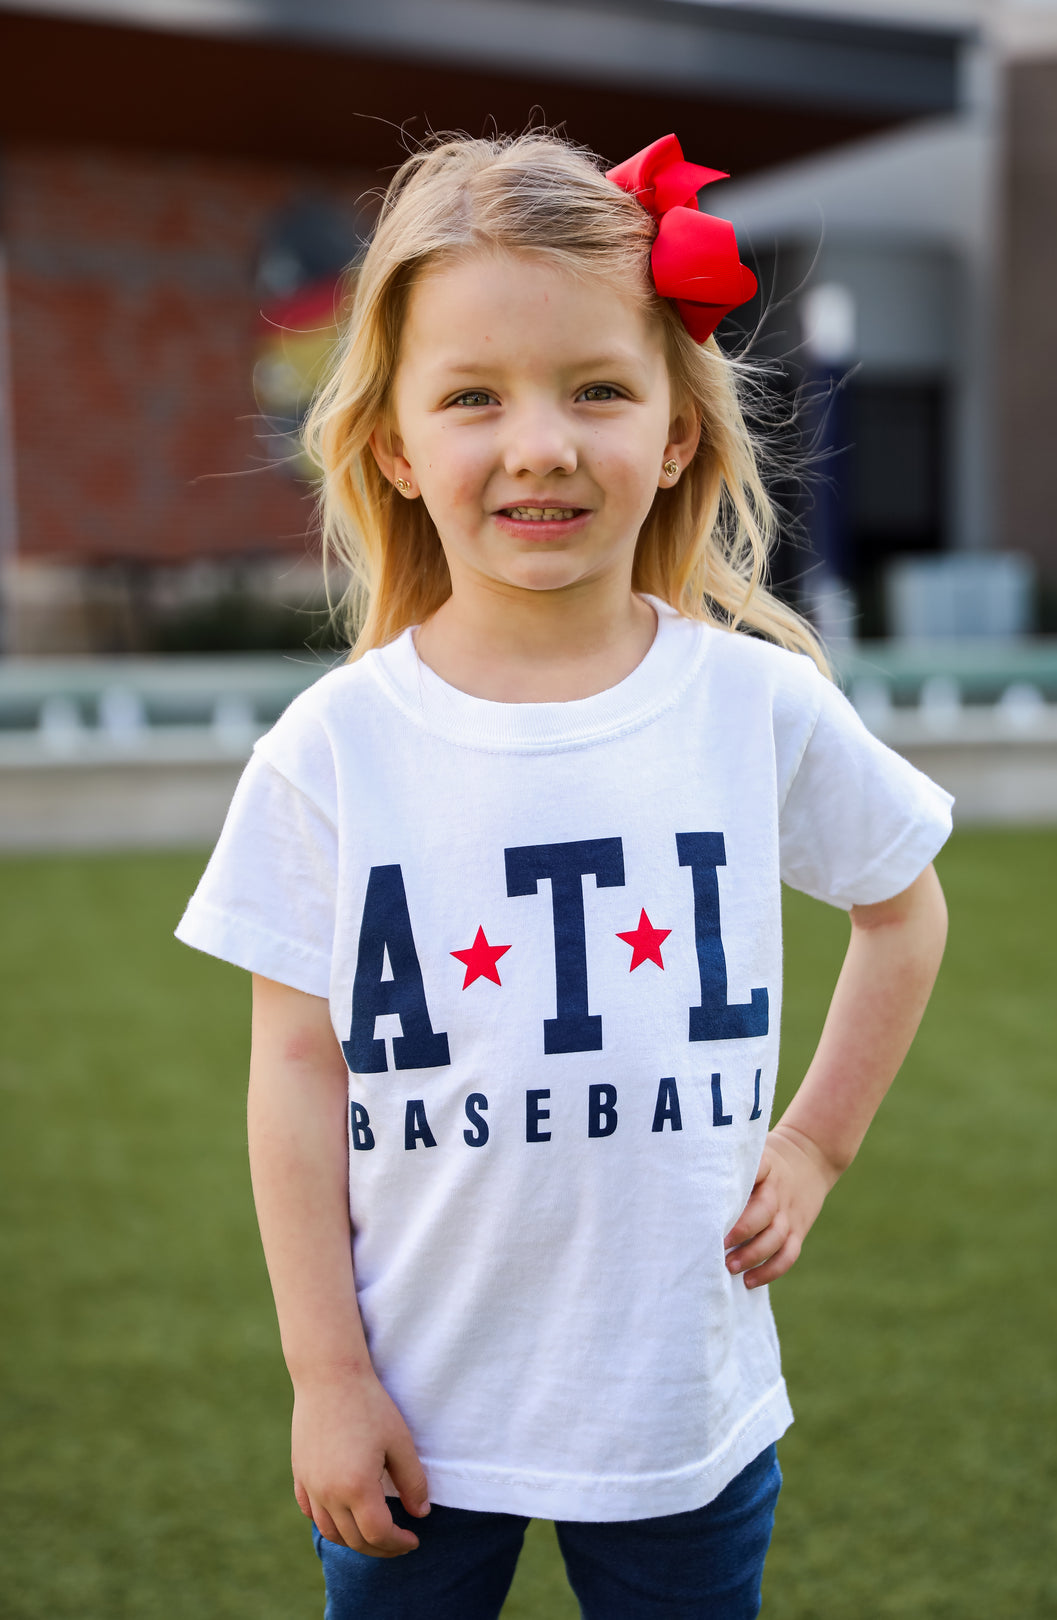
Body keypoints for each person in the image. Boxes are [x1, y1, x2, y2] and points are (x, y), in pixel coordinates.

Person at [176, 131, 952, 1619]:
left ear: (674, 430)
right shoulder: (333, 748)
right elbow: (294, 1064)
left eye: (597, 387)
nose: (539, 444)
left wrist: (814, 1148)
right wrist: (325, 1375)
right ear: (396, 444)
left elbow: (900, 909)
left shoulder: (756, 705)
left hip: (678, 1407)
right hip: (413, 1410)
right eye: (474, 397)